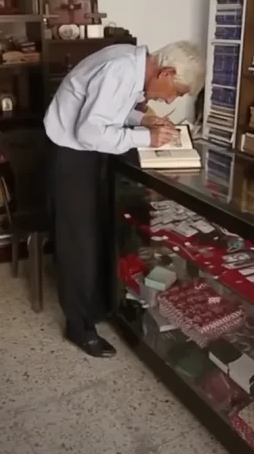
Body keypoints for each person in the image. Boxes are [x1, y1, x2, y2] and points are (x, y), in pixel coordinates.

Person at [44, 41, 204, 358]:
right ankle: (79, 327)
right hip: (72, 155)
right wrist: (146, 137)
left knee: (99, 234)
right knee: (80, 244)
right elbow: (89, 132)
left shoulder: (132, 62)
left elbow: (107, 106)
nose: (171, 99)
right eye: (178, 90)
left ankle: (99, 307)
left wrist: (142, 120)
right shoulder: (120, 70)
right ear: (167, 71)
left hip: (85, 154)